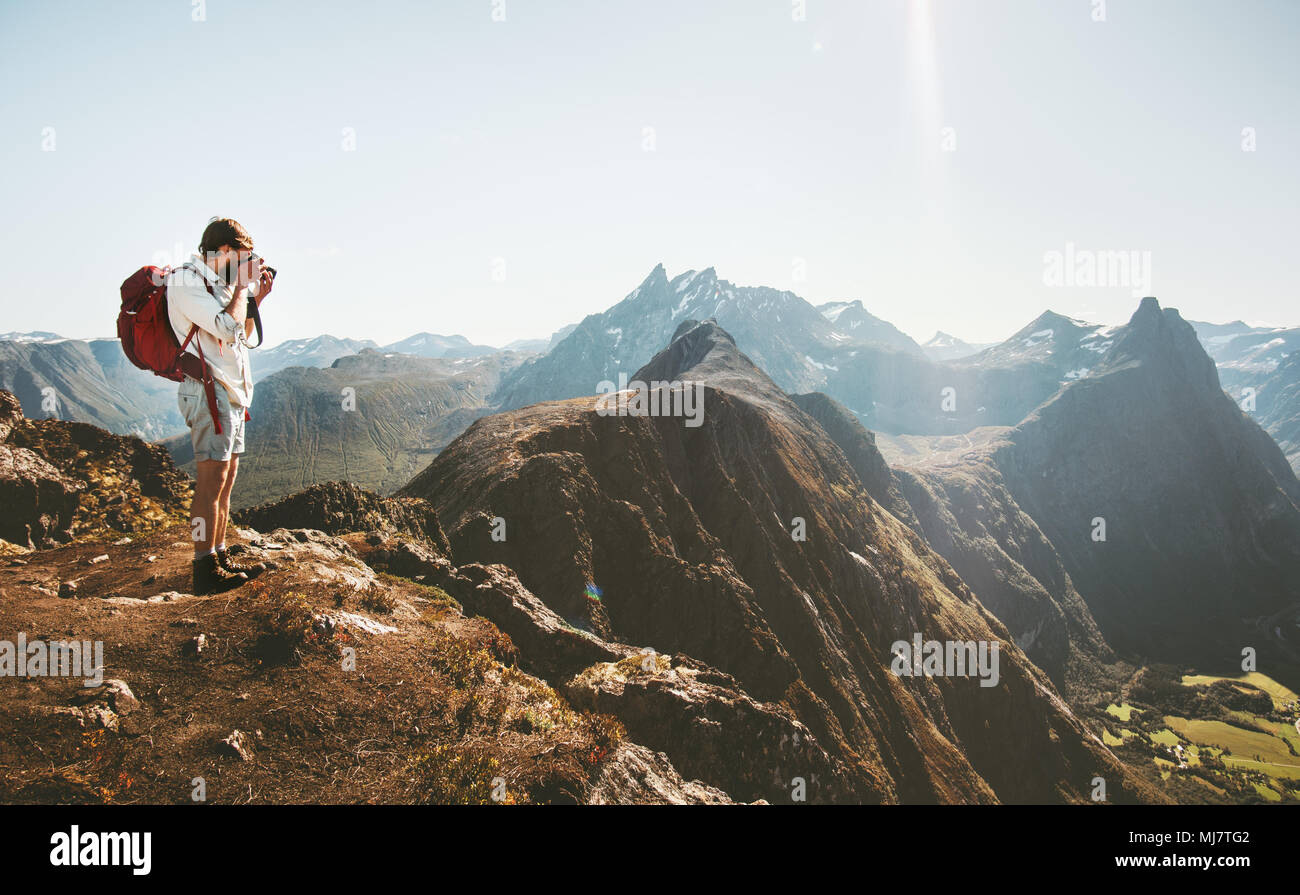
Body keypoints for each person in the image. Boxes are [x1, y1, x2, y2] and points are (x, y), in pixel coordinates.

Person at [167, 217, 273, 594]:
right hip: (206, 393)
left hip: (231, 393)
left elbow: (238, 339)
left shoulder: (223, 285)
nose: (246, 264)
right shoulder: (184, 281)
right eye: (243, 256)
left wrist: (254, 299)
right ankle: (203, 567)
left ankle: (219, 552)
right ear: (225, 251)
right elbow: (226, 328)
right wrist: (243, 289)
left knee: (226, 481)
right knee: (210, 481)